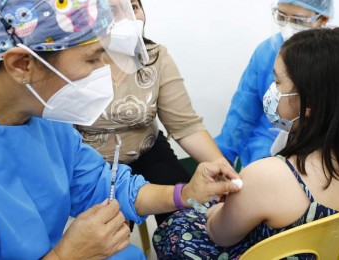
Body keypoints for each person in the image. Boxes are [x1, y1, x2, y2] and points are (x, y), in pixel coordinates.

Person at [0, 0, 241, 259]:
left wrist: (183, 194)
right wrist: (68, 254)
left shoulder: (50, 124)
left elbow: (100, 184)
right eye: (91, 59)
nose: (104, 71)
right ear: (22, 64)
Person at [153, 27, 339, 259]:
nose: (270, 90)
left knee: (175, 228)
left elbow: (219, 234)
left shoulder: (266, 176)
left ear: (309, 102)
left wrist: (217, 209)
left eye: (277, 81)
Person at [76, 0, 226, 226]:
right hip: (95, 165)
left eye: (133, 7)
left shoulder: (155, 57)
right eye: (112, 10)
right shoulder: (72, 65)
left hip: (148, 153)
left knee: (193, 214)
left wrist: (223, 168)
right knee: (109, 232)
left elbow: (186, 126)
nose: (128, 18)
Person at [215, 0, 333, 168]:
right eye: (282, 16)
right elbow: (242, 113)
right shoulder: (267, 52)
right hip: (263, 147)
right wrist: (221, 158)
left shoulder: (336, 60)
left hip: (318, 152)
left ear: (322, 20)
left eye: (298, 21)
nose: (288, 27)